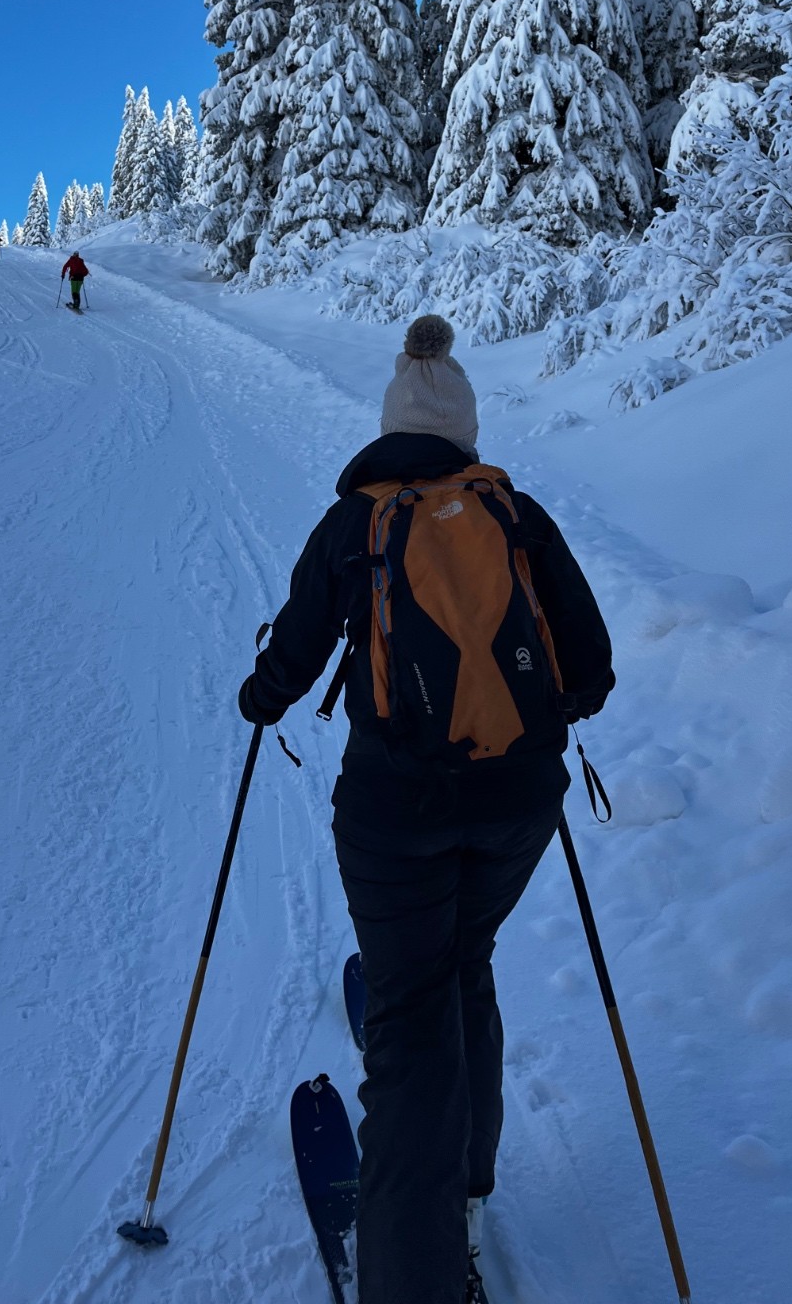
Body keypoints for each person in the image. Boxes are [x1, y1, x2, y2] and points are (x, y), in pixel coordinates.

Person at [238, 316, 614, 1304]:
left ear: (392, 426)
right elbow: (592, 670)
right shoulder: (514, 514)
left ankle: (413, 1279)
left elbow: (294, 655)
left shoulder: (355, 523)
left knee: (410, 1024)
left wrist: (260, 697)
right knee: (466, 964)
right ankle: (470, 1192)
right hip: (518, 807)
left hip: (395, 817)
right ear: (466, 430)